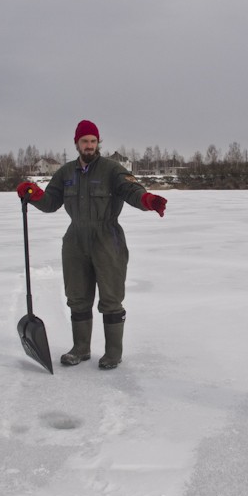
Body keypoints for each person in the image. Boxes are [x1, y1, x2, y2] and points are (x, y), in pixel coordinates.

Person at [17, 120, 167, 370]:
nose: (89, 145)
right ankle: (80, 348)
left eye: (93, 141)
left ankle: (112, 353)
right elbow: (51, 202)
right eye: (84, 141)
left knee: (111, 297)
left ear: (98, 143)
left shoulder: (112, 169)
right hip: (75, 239)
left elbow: (131, 189)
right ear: (77, 143)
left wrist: (147, 199)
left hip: (107, 238)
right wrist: (34, 195)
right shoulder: (65, 173)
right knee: (77, 296)